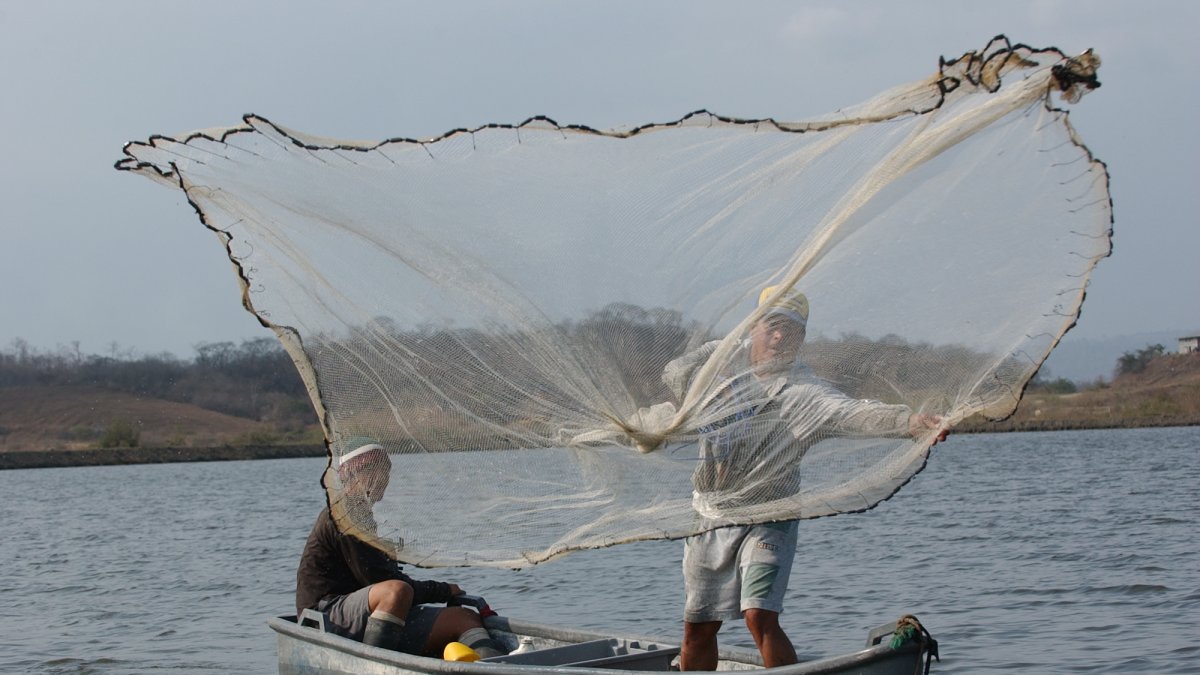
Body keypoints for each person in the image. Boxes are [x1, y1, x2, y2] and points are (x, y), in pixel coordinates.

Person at [665, 287, 947, 670]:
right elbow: (674, 374)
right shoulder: (720, 364)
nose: (781, 337)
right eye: (773, 325)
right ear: (754, 328)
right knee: (698, 629)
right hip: (710, 517)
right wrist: (708, 366)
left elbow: (853, 413)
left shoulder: (803, 393)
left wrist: (911, 423)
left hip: (770, 518)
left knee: (758, 615)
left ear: (801, 340)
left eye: (792, 330)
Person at [295, 440, 504, 658]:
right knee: (396, 591)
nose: (386, 479)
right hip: (327, 615)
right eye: (379, 471)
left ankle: (494, 665)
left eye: (387, 471)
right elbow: (380, 581)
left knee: (464, 617)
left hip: (374, 614)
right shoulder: (343, 515)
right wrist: (442, 590)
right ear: (357, 474)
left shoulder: (364, 515)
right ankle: (375, 665)